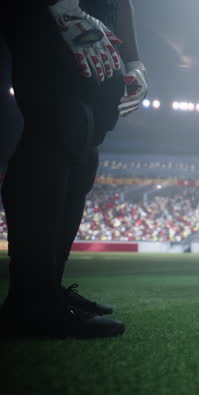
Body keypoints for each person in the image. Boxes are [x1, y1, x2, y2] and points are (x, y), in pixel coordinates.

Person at [1, 0, 148, 338]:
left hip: (89, 14)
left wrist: (134, 60)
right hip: (42, 9)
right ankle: (30, 299)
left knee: (85, 144)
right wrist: (61, 7)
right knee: (60, 123)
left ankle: (48, 290)